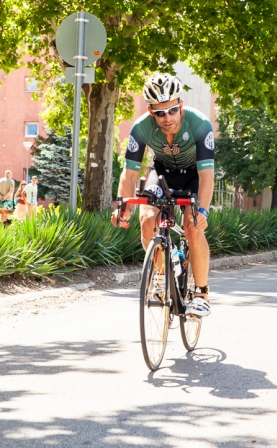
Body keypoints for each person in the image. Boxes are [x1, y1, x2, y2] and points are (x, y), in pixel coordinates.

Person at [110, 73, 215, 317]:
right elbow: (129, 174)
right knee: (147, 221)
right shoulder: (140, 128)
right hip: (162, 172)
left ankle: (201, 294)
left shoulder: (200, 125)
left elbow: (207, 176)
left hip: (194, 176)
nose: (167, 118)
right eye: (159, 113)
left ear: (180, 105)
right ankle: (161, 277)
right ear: (150, 111)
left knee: (192, 225)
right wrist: (122, 207)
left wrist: (202, 211)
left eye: (171, 111)